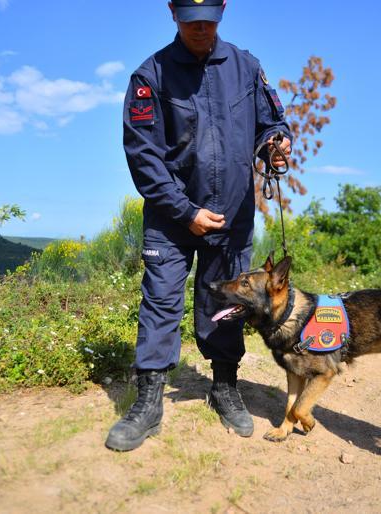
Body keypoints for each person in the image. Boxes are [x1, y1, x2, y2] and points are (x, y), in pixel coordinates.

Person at [105, 0, 292, 451]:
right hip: (171, 218)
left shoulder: (246, 67)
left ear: (224, 9)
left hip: (231, 215)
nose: (201, 29)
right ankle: (148, 401)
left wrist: (274, 144)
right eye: (191, 21)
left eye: (209, 20)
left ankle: (225, 387)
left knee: (228, 303)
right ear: (172, 11)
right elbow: (143, 155)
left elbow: (271, 123)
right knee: (160, 302)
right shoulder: (150, 76)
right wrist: (184, 211)